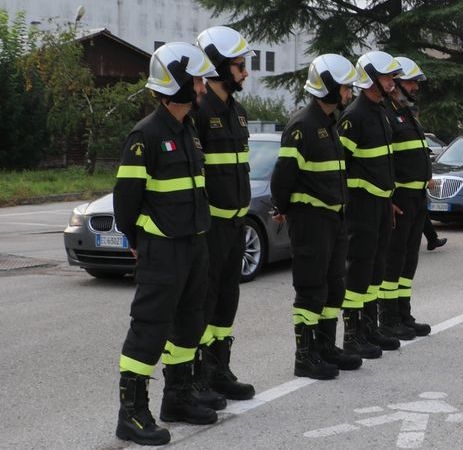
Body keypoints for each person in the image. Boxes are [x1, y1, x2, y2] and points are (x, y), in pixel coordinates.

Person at [112, 42, 219, 445]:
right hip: (162, 248)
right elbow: (126, 199)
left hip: (193, 243)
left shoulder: (189, 129)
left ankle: (177, 397)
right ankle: (132, 412)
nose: (203, 87)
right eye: (196, 80)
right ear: (176, 83)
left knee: (190, 321)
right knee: (150, 328)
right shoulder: (146, 135)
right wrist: (141, 239)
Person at [270, 54, 364, 379]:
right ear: (329, 89)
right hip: (310, 220)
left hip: (333, 219)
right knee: (310, 288)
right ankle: (305, 356)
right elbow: (283, 175)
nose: (350, 94)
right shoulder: (303, 126)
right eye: (346, 88)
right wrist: (282, 208)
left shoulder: (328, 125)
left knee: (333, 285)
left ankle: (325, 346)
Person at [192, 25, 255, 405]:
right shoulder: (199, 112)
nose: (245, 72)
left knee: (226, 299)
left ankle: (219, 369)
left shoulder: (238, 112)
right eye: (239, 65)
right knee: (203, 299)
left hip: (235, 224)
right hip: (210, 226)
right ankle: (198, 375)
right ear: (218, 66)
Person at [338, 50, 404, 355]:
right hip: (361, 205)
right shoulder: (354, 116)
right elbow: (342, 165)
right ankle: (352, 335)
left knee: (377, 265)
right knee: (360, 266)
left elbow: (382, 164)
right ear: (370, 78)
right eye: (387, 76)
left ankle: (369, 328)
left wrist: (388, 199)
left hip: (379, 203)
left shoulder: (380, 110)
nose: (392, 81)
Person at [378, 56, 433, 340]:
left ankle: (403, 314)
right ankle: (387, 319)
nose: (415, 88)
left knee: (409, 258)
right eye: (411, 82)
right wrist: (388, 198)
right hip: (398, 199)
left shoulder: (407, 112)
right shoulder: (385, 113)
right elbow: (381, 162)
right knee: (393, 259)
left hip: (416, 197)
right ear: (396, 84)